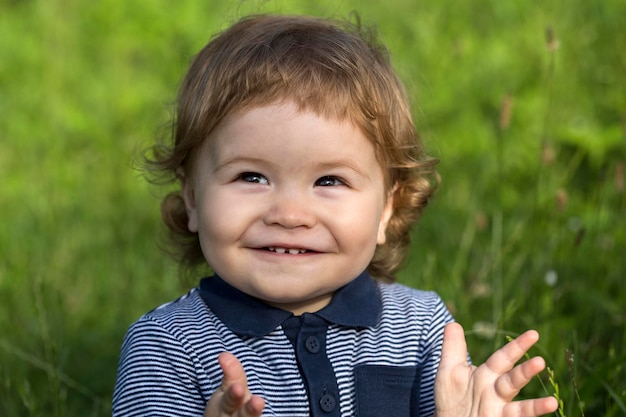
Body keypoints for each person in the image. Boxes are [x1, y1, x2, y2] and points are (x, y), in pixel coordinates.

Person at [112, 14, 558, 417]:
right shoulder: (166, 347)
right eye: (252, 177)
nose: (289, 214)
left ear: (387, 208)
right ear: (192, 199)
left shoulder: (420, 330)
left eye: (329, 181)